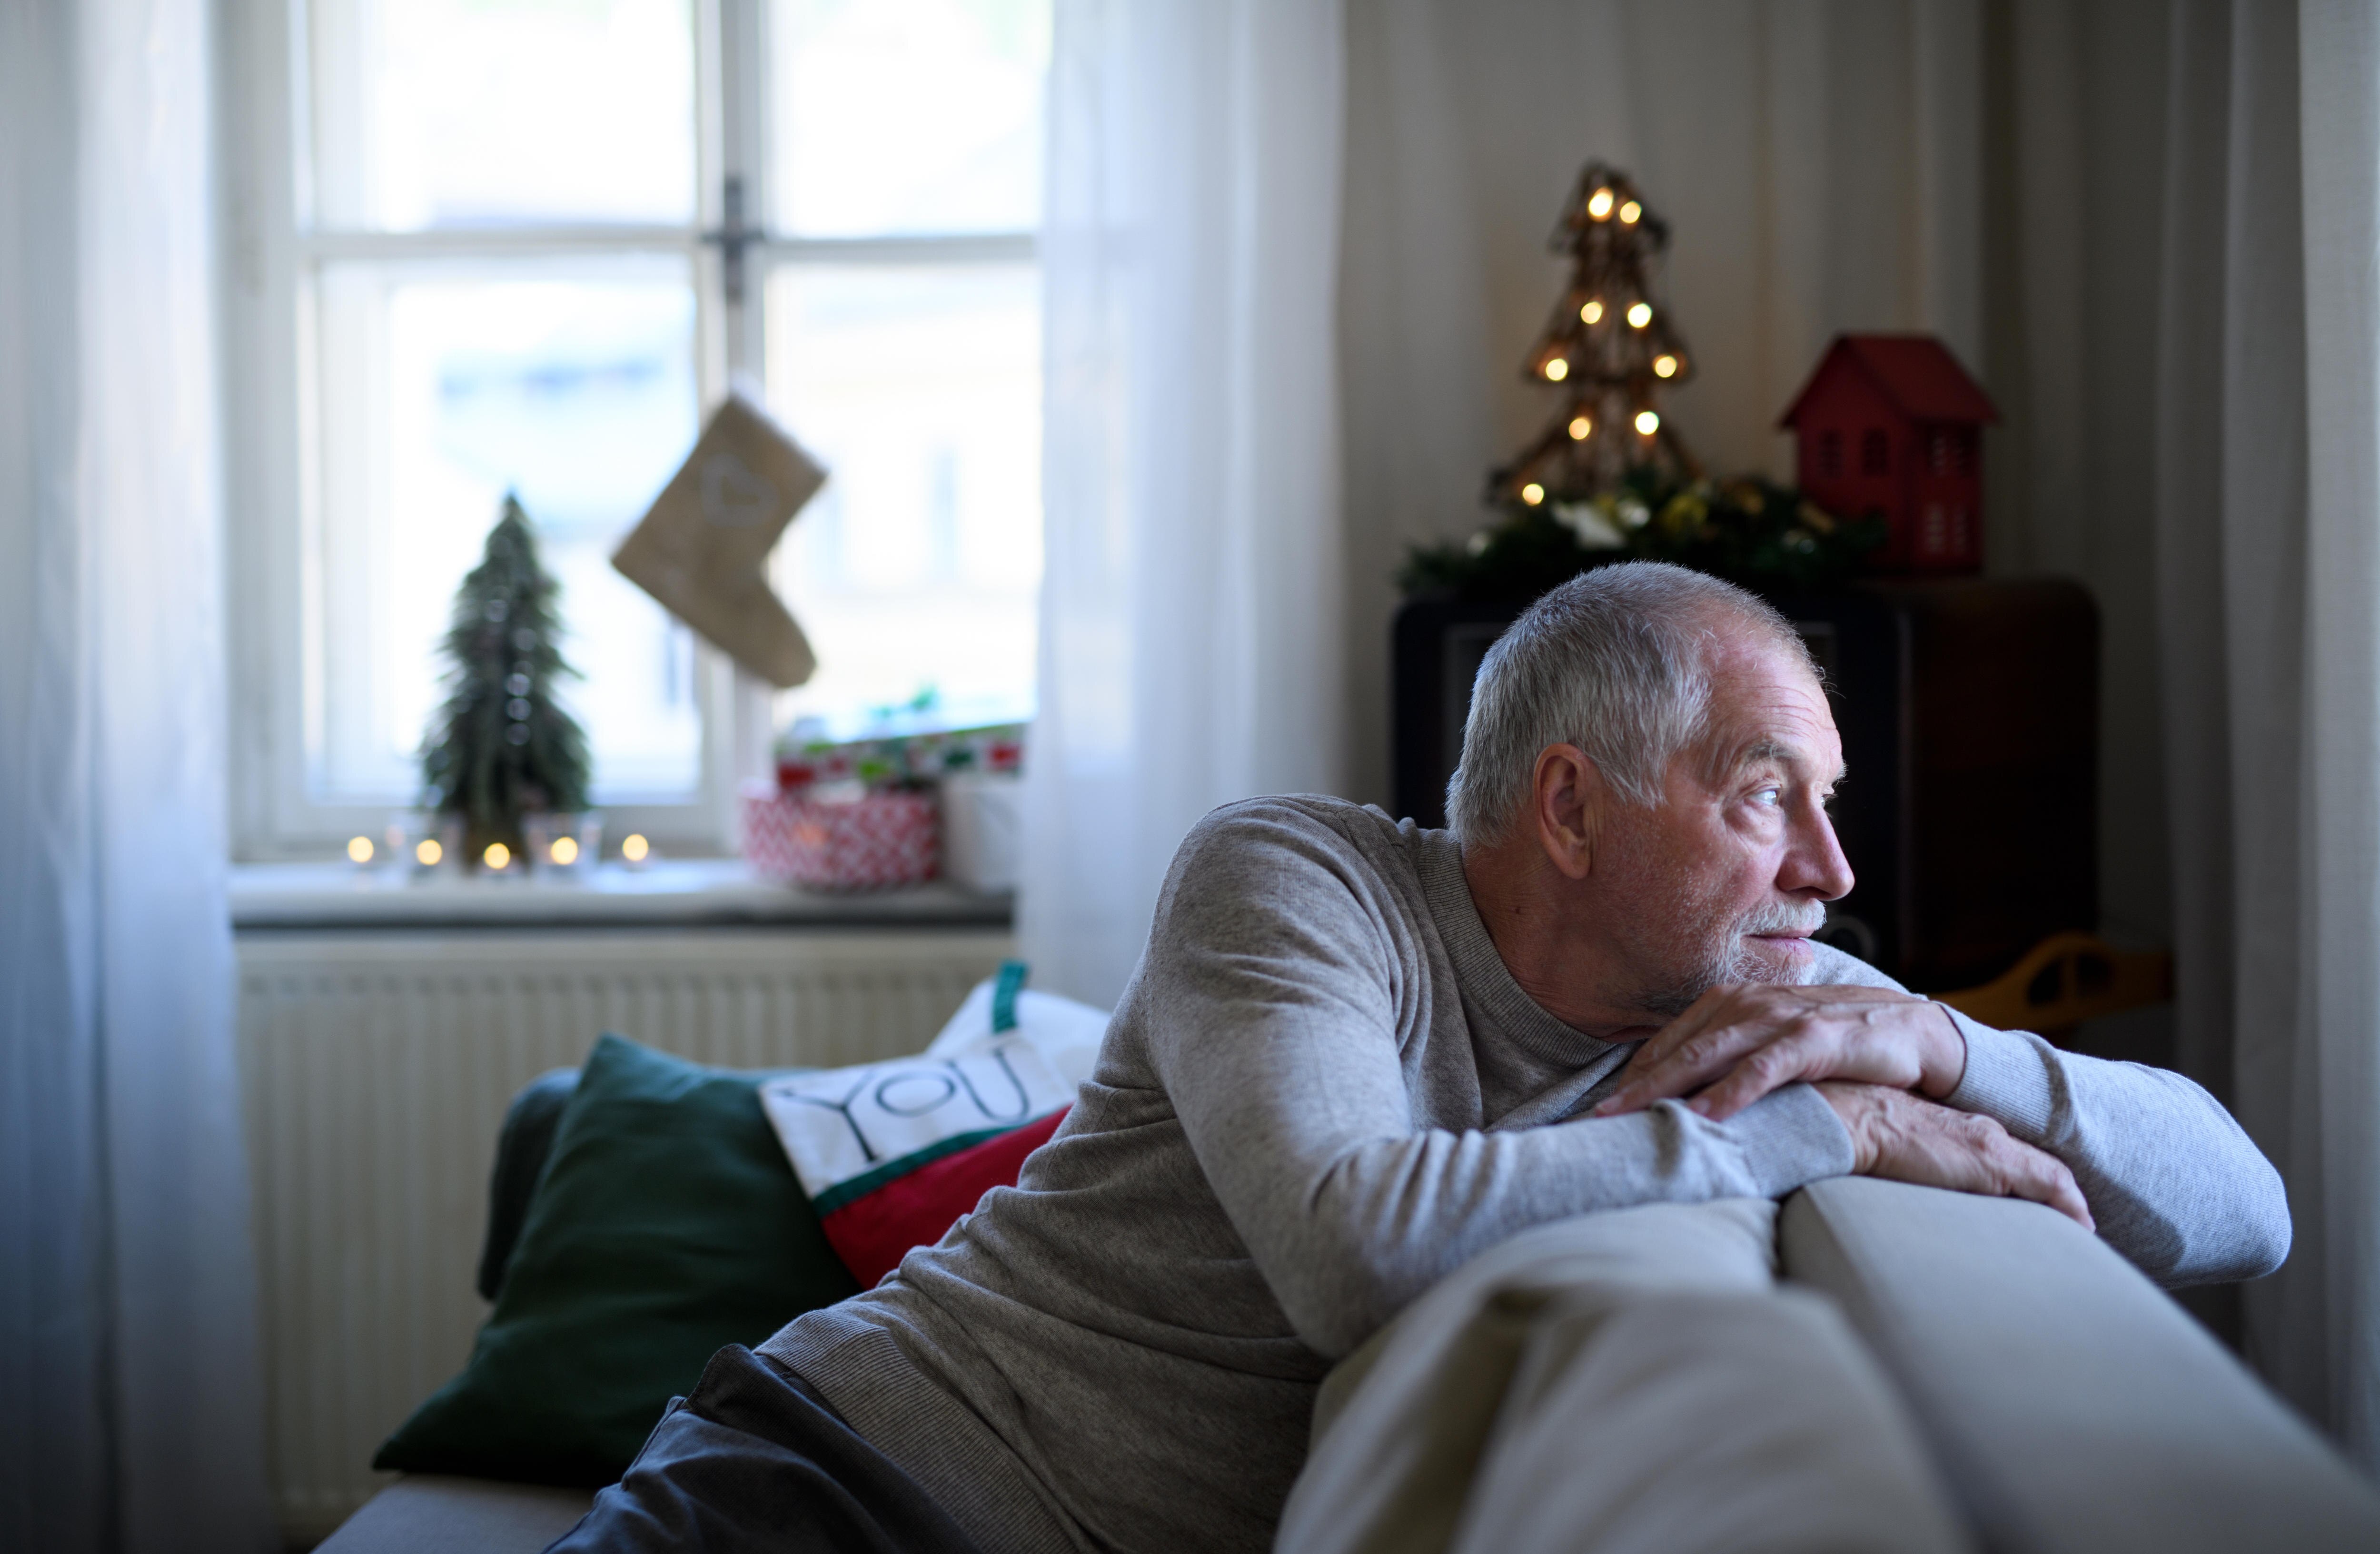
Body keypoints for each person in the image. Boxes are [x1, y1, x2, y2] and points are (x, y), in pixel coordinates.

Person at [554, 562, 2289, 1554]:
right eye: (1770, 795)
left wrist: (1950, 1046)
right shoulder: (1298, 881)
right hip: (832, 1486)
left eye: (1829, 806)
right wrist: (1815, 1129)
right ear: (1571, 804)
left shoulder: (1770, 988)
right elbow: (1351, 1242)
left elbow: (2249, 1209)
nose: (1833, 871)